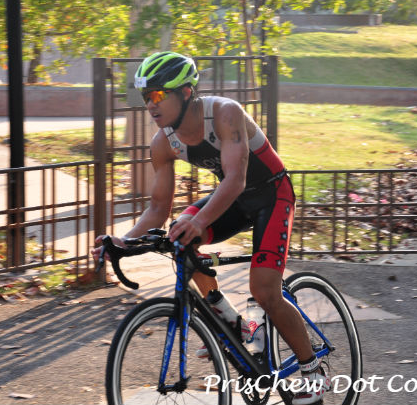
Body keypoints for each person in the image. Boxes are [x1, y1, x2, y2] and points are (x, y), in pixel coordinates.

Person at [91, 51, 329, 404]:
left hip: (272, 195)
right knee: (179, 235)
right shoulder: (162, 142)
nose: (150, 104)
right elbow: (157, 208)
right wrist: (123, 242)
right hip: (234, 201)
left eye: (158, 94)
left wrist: (199, 220)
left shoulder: (225, 113)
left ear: (186, 92)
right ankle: (233, 322)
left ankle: (312, 369)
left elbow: (235, 178)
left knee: (265, 291)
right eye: (145, 97)